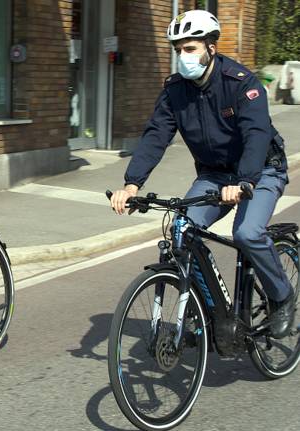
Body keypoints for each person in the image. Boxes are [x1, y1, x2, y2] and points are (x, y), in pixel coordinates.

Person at [109, 10, 294, 338]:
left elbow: (256, 133)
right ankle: (204, 308)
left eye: (190, 48)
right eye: (178, 49)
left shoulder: (240, 83)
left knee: (248, 233)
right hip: (214, 174)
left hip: (261, 170)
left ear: (211, 46)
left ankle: (282, 297)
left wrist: (246, 181)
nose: (183, 56)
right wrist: (132, 183)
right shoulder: (175, 91)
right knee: (183, 231)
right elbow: (156, 135)